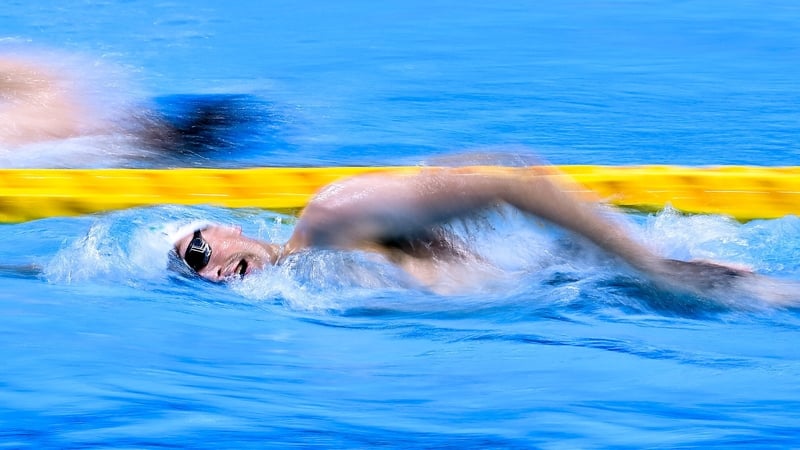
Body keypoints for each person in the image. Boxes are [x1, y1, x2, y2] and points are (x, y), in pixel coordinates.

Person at [172, 165, 799, 305]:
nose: (205, 268)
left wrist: (648, 265)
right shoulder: (314, 291)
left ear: (231, 227)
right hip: (571, 296)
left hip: (601, 281)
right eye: (190, 272)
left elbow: (509, 177)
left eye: (198, 247)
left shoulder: (333, 215)